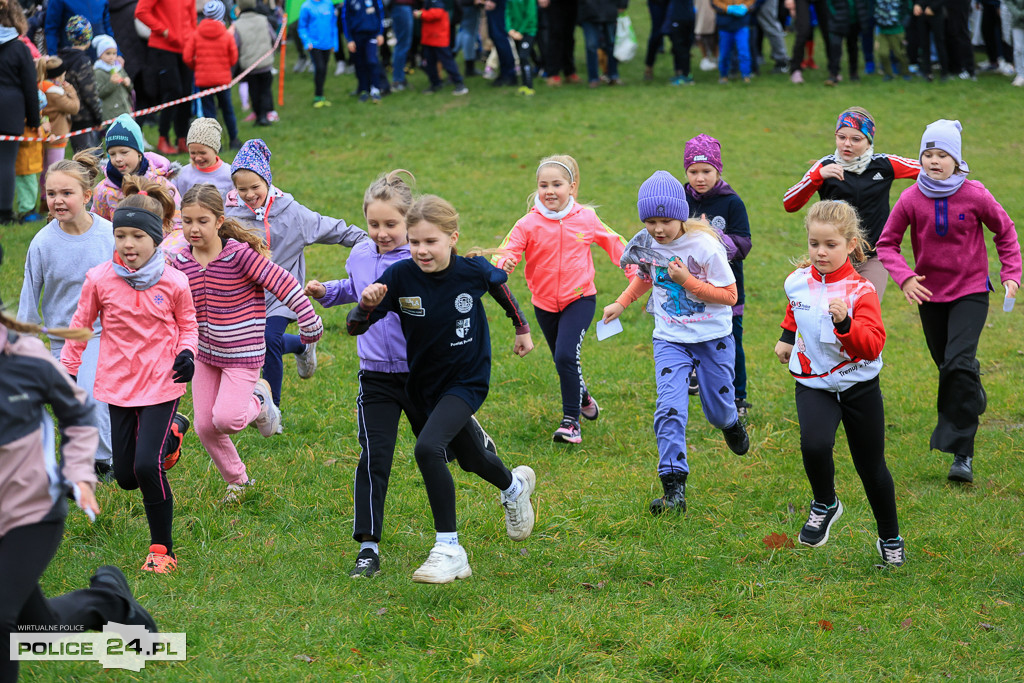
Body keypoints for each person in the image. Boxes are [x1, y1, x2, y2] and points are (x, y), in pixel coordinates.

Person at [346, 194, 537, 584]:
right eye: (414, 242)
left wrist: (522, 329)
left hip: (466, 381)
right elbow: (354, 327)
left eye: (430, 242)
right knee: (470, 458)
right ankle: (514, 485)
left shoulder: (472, 271)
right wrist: (365, 307)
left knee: (426, 448)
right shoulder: (400, 277)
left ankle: (449, 549)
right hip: (425, 385)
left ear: (453, 237)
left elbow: (501, 290)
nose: (421, 250)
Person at [0, 311, 159, 683]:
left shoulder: (25, 359)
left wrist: (78, 474)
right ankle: (107, 603)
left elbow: (78, 411)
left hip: (31, 512)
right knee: (37, 632)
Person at [61, 176, 199, 574]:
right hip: (117, 383)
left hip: (161, 381)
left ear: (155, 239)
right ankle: (175, 432)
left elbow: (187, 324)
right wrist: (67, 373)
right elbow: (79, 326)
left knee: (145, 466)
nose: (128, 244)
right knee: (124, 476)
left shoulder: (174, 281)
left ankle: (162, 550)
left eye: (137, 235)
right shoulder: (99, 279)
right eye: (121, 235)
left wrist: (187, 352)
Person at [876, 119, 1021, 484]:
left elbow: (1004, 231)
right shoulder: (910, 198)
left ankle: (961, 454)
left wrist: (1012, 274)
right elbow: (887, 244)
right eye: (928, 154)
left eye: (942, 154)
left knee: (956, 364)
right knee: (951, 366)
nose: (934, 161)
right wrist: (905, 276)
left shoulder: (976, 195)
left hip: (971, 290)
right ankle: (971, 383)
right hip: (930, 294)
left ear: (957, 160)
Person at [603, 171, 749, 515]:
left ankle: (730, 421)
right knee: (669, 409)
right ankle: (674, 489)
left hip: (712, 337)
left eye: (665, 220)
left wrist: (688, 281)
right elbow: (645, 276)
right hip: (670, 339)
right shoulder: (648, 243)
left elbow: (730, 295)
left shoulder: (705, 246)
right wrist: (621, 303)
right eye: (650, 221)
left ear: (680, 215)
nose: (658, 229)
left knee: (716, 411)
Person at [171, 184, 323, 505]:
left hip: (243, 353)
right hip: (204, 355)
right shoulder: (180, 262)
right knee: (204, 425)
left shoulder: (238, 256)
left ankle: (260, 399)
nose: (193, 229)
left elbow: (282, 282)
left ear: (219, 221)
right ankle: (239, 481)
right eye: (187, 221)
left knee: (227, 419)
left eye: (202, 221)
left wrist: (308, 317)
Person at [773, 199, 904, 567]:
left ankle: (890, 537)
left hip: (858, 386)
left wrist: (846, 325)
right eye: (815, 244)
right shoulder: (796, 281)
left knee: (871, 467)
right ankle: (825, 502)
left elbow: (873, 344)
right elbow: (796, 307)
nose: (820, 252)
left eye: (830, 245)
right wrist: (787, 337)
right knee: (814, 445)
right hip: (813, 381)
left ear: (850, 245)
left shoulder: (861, 291)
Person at [492, 155, 630, 443]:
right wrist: (502, 264)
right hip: (543, 303)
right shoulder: (528, 223)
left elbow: (614, 242)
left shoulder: (587, 218)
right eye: (544, 185)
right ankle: (583, 396)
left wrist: (635, 269)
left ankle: (571, 423)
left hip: (579, 299)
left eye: (557, 184)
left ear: (572, 188)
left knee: (567, 356)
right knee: (562, 359)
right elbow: (508, 250)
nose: (550, 190)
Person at [225, 138, 367, 414]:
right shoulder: (230, 213)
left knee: (267, 341)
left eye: (255, 187)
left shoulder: (292, 213)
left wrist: (371, 243)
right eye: (242, 189)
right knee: (245, 346)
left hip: (282, 294)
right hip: (244, 297)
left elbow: (333, 229)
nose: (249, 194)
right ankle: (302, 345)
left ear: (267, 181)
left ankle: (271, 411)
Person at [17, 151, 116, 477]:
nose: (57, 201)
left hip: (103, 333)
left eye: (66, 193)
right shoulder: (43, 243)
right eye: (51, 194)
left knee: (91, 396)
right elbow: (30, 296)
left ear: (87, 196)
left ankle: (104, 462)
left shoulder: (108, 235)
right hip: (62, 337)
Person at [783, 107, 920, 300]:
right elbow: (789, 203)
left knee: (865, 310)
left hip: (873, 256)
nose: (847, 144)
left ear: (869, 142)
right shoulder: (825, 166)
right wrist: (817, 177)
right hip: (833, 256)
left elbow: (928, 169)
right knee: (830, 314)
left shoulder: (884, 165)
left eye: (856, 139)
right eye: (841, 137)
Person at [682, 134, 753, 417]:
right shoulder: (680, 199)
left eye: (706, 171)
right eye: (693, 171)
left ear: (718, 170)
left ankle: (738, 397)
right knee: (687, 334)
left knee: (731, 341)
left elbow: (744, 244)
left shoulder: (732, 203)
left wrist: (712, 235)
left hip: (726, 288)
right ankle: (692, 373)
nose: (700, 178)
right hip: (687, 286)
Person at [92, 113, 182, 229]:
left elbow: (177, 224)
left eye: (124, 152)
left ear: (139, 154)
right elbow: (98, 227)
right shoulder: (103, 190)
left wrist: (164, 247)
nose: (118, 159)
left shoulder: (160, 184)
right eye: (112, 154)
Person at [135, 0, 196, 155]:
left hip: (186, 47)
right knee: (173, 91)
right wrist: (163, 30)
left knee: (187, 93)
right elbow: (141, 12)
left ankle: (182, 139)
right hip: (163, 47)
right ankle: (163, 138)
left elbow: (192, 17)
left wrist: (193, 40)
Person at [184, 1, 241, 150]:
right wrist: (225, 66)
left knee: (209, 114)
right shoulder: (226, 34)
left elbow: (187, 57)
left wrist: (197, 68)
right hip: (223, 80)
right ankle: (234, 139)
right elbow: (234, 57)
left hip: (203, 80)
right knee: (227, 109)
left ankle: (215, 144)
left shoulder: (196, 34)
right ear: (221, 14)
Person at [56, 15, 103, 153]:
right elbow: (89, 92)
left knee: (79, 154)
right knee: (90, 157)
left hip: (69, 113)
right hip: (85, 116)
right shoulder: (83, 61)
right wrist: (98, 116)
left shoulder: (62, 57)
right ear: (88, 37)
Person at [38, 56, 79, 205]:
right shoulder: (56, 93)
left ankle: (44, 200)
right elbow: (74, 108)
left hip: (45, 135)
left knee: (45, 170)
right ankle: (52, 201)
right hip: (58, 137)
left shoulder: (41, 87)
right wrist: (70, 90)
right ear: (59, 74)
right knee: (55, 171)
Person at [235, 0, 279, 127]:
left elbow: (236, 44)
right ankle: (265, 116)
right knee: (265, 90)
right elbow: (273, 38)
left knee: (254, 91)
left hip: (249, 66)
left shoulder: (238, 25)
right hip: (265, 64)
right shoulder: (263, 20)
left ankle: (259, 116)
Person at [172, 117, 235, 199]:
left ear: (215, 150)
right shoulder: (182, 174)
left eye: (202, 153)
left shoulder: (229, 175)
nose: (198, 158)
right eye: (193, 153)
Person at [416, 0, 470, 95]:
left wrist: (421, 14)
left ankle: (459, 83)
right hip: (429, 36)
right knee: (430, 61)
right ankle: (435, 84)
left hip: (438, 36)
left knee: (447, 60)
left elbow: (437, 13)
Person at [341, 0, 385, 102]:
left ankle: (376, 89)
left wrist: (379, 33)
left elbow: (380, 13)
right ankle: (364, 89)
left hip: (372, 34)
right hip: (356, 36)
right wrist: (349, 39)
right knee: (360, 64)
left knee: (372, 61)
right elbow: (345, 18)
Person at [299, 0, 339, 107]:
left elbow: (333, 24)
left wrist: (334, 42)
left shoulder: (328, 4)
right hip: (314, 44)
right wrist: (307, 42)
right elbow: (302, 27)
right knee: (320, 68)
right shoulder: (306, 6)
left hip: (326, 43)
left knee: (324, 69)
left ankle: (321, 95)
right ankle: (318, 95)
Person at [578, 0, 625, 87]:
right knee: (591, 46)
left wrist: (622, 4)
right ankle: (593, 78)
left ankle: (613, 76)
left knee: (611, 45)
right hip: (588, 12)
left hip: (609, 10)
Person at [822, 0, 869, 84]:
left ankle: (853, 73)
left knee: (853, 47)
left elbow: (863, 4)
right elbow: (828, 4)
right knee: (835, 47)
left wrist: (862, 16)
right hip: (838, 21)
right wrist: (834, 15)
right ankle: (833, 74)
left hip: (854, 22)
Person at [44, 0, 114, 55]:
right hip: (74, 58)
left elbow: (106, 26)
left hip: (102, 57)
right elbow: (51, 29)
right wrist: (53, 55)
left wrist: (117, 53)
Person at [92, 34, 132, 124]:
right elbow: (99, 93)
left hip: (126, 110)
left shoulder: (119, 68)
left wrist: (128, 83)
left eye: (114, 53)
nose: (111, 56)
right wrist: (112, 83)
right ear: (100, 54)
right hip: (111, 115)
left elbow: (130, 88)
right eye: (108, 53)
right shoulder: (99, 72)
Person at [712, 0, 754, 83]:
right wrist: (727, 8)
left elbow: (752, 2)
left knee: (744, 51)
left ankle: (746, 75)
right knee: (724, 54)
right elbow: (714, 2)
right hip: (724, 25)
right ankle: (723, 75)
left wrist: (745, 7)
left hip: (741, 23)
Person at [874, 0, 911, 81]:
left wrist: (901, 22)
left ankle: (906, 72)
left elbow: (907, 8)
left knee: (899, 53)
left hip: (896, 30)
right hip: (883, 31)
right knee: (883, 53)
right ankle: (888, 74)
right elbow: (875, 9)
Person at [506, 0, 536, 94]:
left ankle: (529, 86)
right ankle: (523, 85)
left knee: (524, 57)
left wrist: (520, 31)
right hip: (515, 32)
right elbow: (507, 12)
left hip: (527, 31)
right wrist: (509, 29)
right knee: (521, 57)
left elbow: (530, 15)